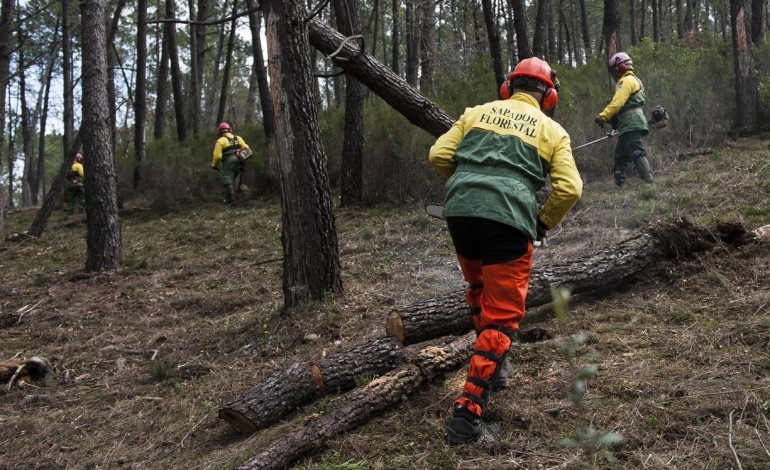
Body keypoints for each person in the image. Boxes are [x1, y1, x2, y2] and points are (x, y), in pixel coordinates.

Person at [428, 57, 583, 444]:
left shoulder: (476, 113)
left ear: (508, 86)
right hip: (508, 223)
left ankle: (494, 367)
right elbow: (569, 189)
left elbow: (439, 156)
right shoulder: (552, 130)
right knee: (502, 318)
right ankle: (466, 416)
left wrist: (470, 184)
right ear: (549, 95)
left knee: (480, 291)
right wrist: (541, 222)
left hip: (461, 213)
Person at [595, 52, 654, 187]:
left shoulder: (625, 81)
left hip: (630, 122)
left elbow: (618, 102)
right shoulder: (636, 80)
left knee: (635, 149)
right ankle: (619, 186)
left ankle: (649, 182)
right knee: (621, 154)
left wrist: (603, 116)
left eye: (615, 71)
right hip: (631, 121)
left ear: (621, 67)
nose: (614, 75)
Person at [210, 122, 250, 206]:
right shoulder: (238, 138)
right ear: (230, 130)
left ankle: (232, 201)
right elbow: (247, 149)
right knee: (232, 181)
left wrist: (214, 165)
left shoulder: (220, 141)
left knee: (228, 181)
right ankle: (228, 200)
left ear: (220, 132)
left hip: (228, 163)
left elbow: (217, 156)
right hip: (239, 162)